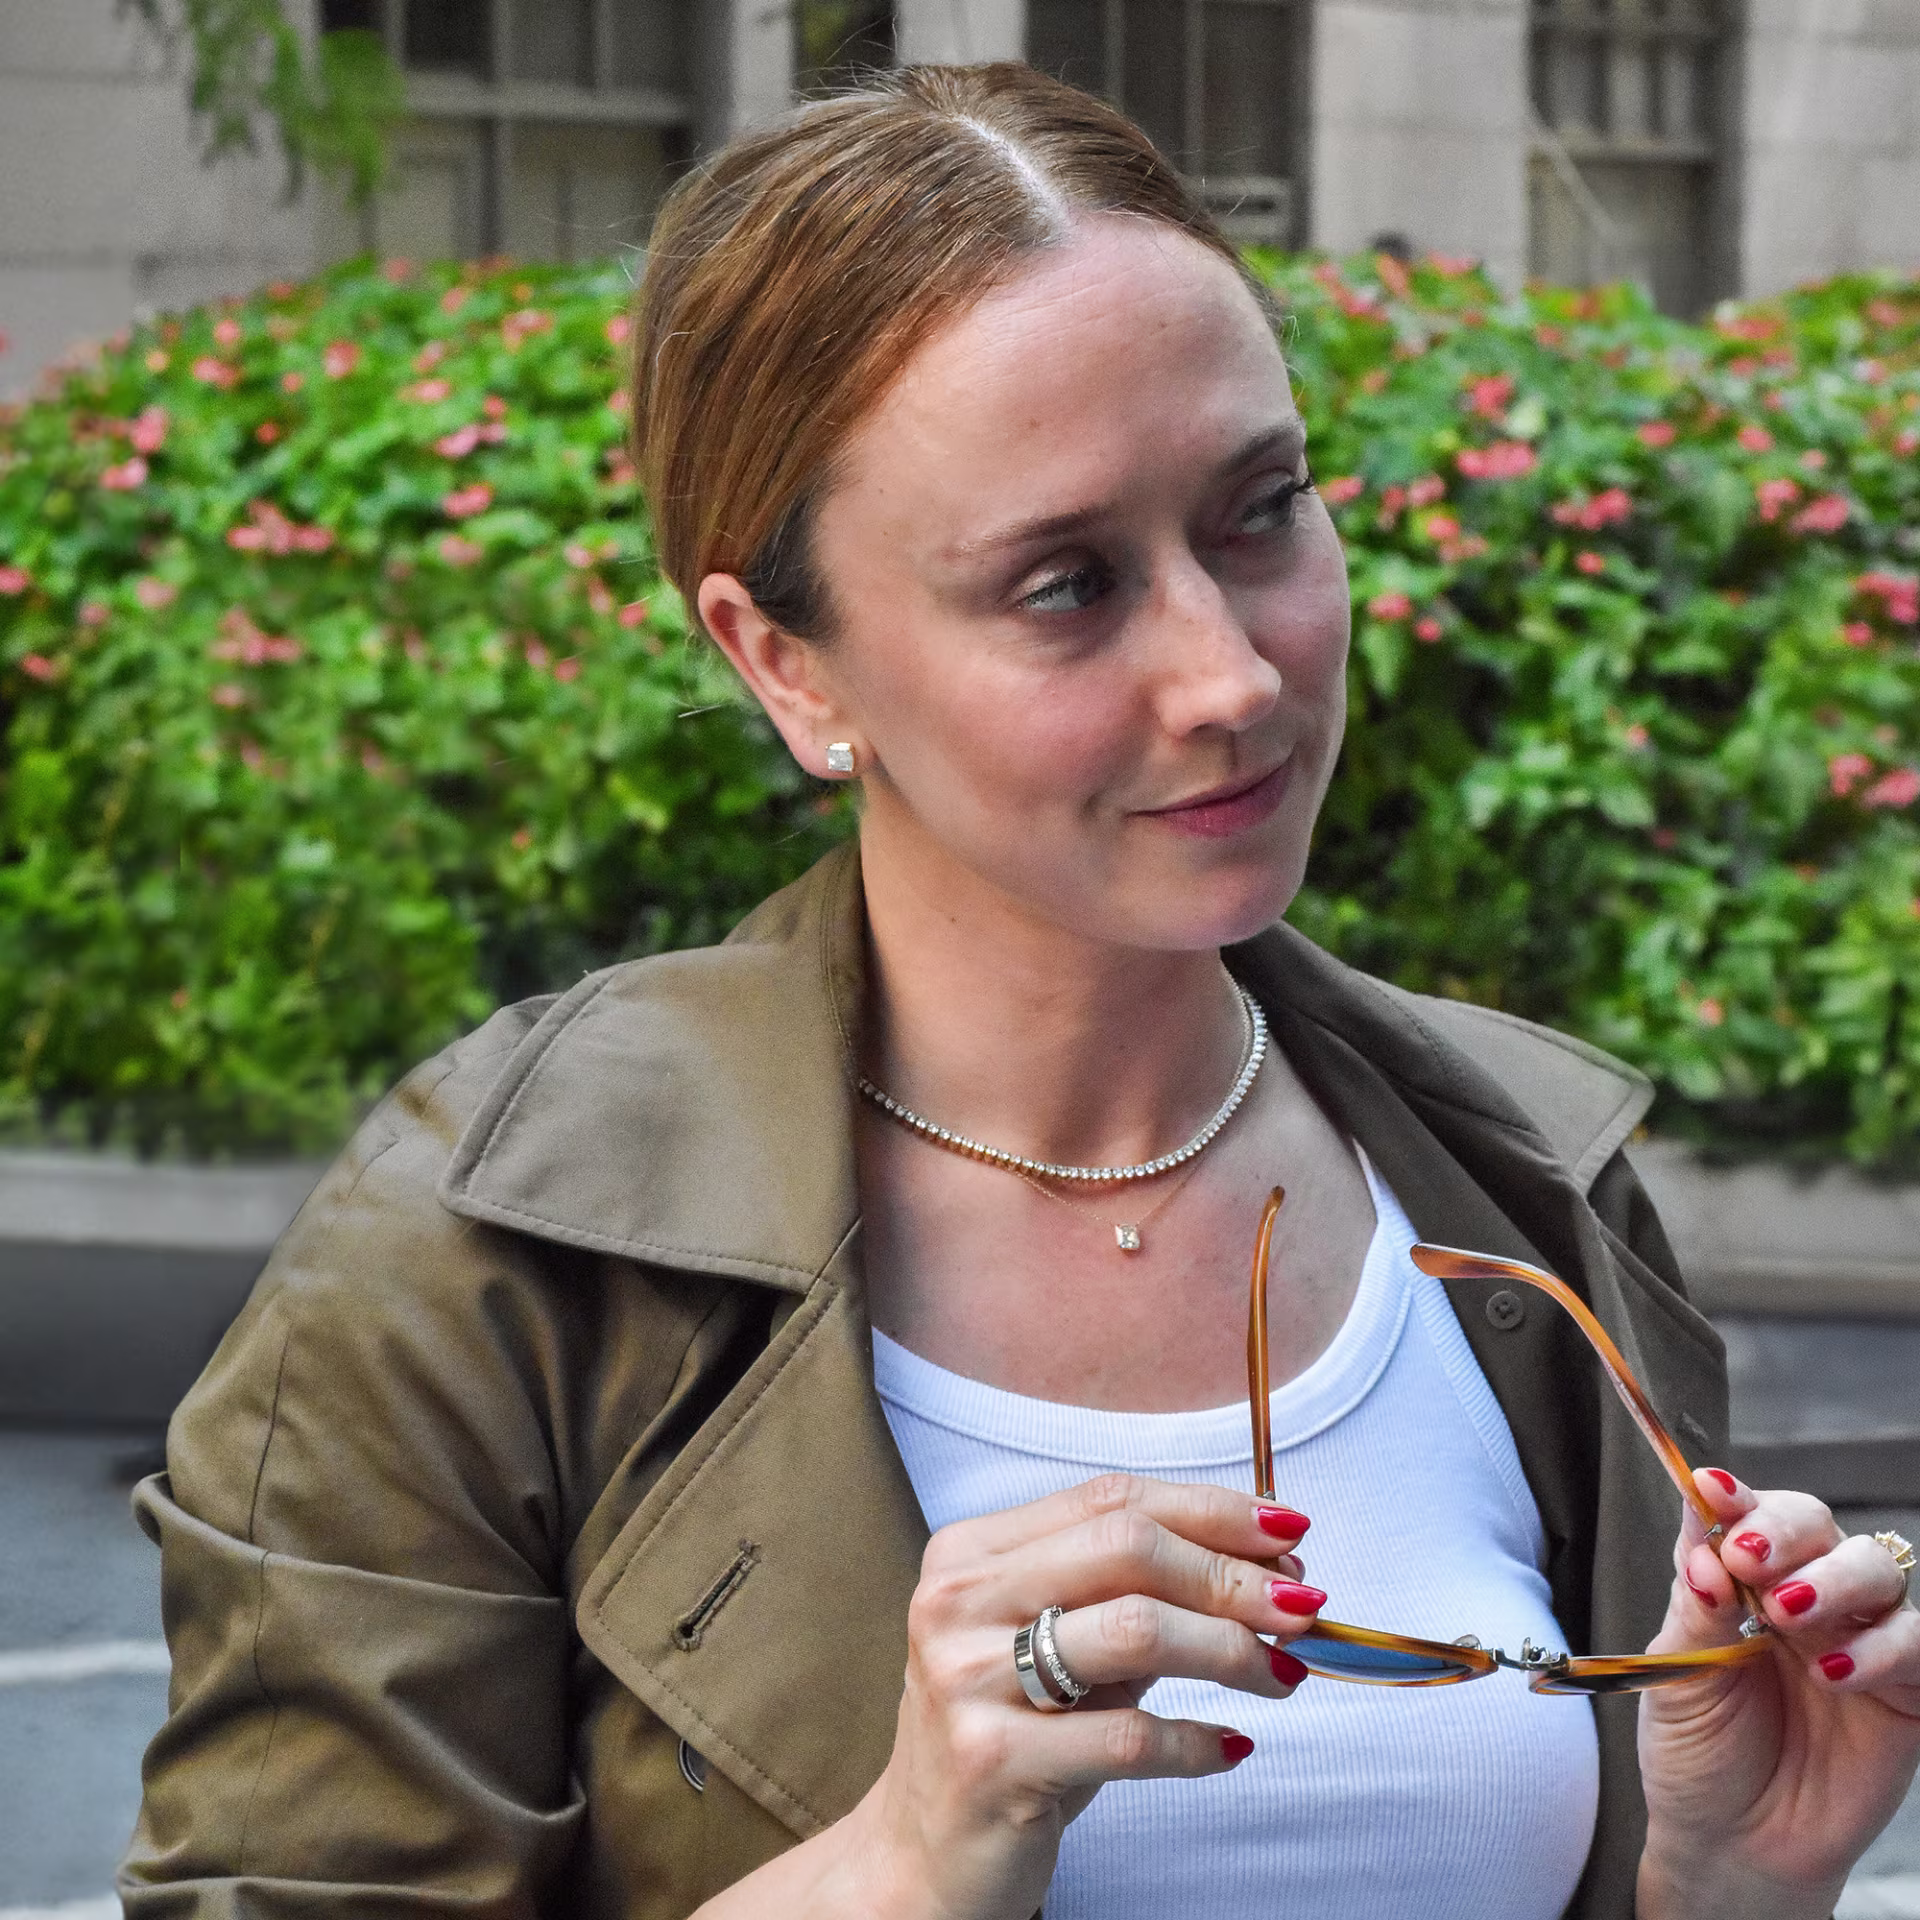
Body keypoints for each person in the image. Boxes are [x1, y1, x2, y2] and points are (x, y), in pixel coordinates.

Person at [123, 62, 1919, 1920]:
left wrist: (1719, 1884)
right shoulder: (487, 1262)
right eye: (1066, 584)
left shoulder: (1525, 1186)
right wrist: (900, 1866)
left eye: (1263, 510)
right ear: (787, 665)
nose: (1230, 676)